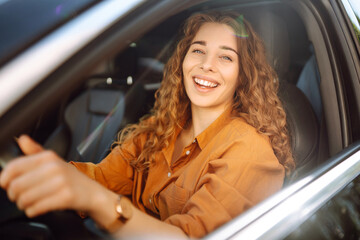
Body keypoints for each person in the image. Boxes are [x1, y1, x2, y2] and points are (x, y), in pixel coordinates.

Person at [0, 12, 295, 239]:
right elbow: (102, 177)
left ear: (243, 76)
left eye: (226, 57)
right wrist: (39, 167)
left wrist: (95, 201)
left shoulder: (248, 150)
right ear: (182, 60)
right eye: (198, 50)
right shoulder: (163, 126)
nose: (207, 64)